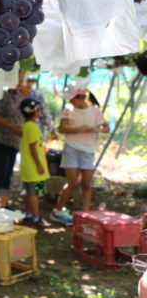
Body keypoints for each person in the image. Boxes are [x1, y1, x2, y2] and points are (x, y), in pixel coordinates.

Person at [50, 89, 109, 225]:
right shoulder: (68, 110)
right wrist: (80, 129)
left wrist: (95, 129)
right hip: (71, 148)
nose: (70, 102)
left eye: (72, 99)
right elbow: (62, 129)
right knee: (72, 182)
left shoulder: (95, 111)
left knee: (86, 184)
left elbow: (106, 128)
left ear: (80, 98)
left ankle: (86, 215)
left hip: (88, 150)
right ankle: (58, 210)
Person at [0, 73, 34, 208]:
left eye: (22, 78)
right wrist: (12, 127)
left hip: (14, 142)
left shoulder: (18, 94)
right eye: (18, 77)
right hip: (0, 140)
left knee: (7, 176)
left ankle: (4, 205)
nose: (20, 81)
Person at [18, 98, 50, 230]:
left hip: (27, 167)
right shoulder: (32, 127)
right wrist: (39, 164)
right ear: (35, 111)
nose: (41, 111)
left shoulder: (26, 126)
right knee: (34, 193)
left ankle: (29, 215)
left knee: (29, 192)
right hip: (34, 169)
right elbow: (32, 148)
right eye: (39, 109)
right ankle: (36, 218)